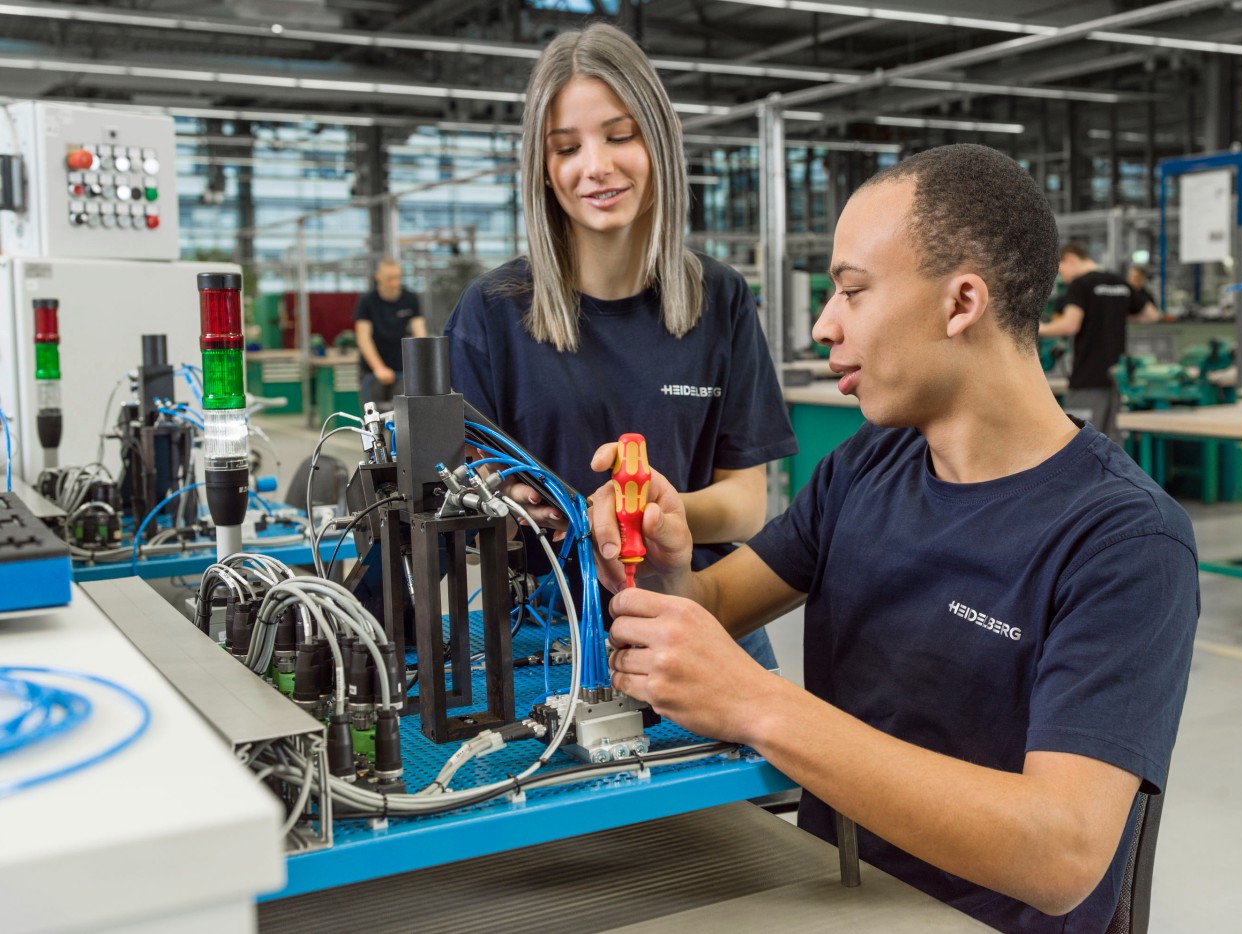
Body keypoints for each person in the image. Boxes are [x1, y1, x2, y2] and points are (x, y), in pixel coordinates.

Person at [589, 145, 1199, 934]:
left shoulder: (1125, 539)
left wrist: (760, 706)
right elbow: (712, 603)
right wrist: (671, 563)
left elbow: (1061, 855)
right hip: (826, 886)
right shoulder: (868, 465)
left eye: (851, 291)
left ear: (962, 302)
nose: (823, 323)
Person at [443, 23, 796, 668]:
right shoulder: (490, 315)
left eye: (620, 135)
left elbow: (747, 505)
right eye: (566, 147)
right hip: (543, 630)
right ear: (544, 170)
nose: (595, 166)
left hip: (696, 611)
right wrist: (510, 507)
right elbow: (462, 510)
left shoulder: (720, 298)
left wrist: (637, 517)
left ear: (661, 141)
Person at [1040, 243, 1160, 442]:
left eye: (1061, 270)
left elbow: (1070, 325)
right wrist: (1115, 314)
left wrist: (1040, 328)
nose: (1063, 277)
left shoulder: (1080, 284)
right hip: (1117, 381)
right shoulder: (1118, 282)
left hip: (1087, 378)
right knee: (1110, 445)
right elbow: (1151, 315)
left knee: (1077, 444)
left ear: (1071, 259)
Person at [355, 258, 425, 405]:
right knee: (373, 418)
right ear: (378, 277)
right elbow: (363, 338)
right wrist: (379, 368)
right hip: (372, 371)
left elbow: (420, 334)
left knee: (402, 417)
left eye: (397, 278)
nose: (394, 283)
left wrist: (421, 364)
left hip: (402, 370)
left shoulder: (410, 299)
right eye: (389, 278)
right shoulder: (367, 301)